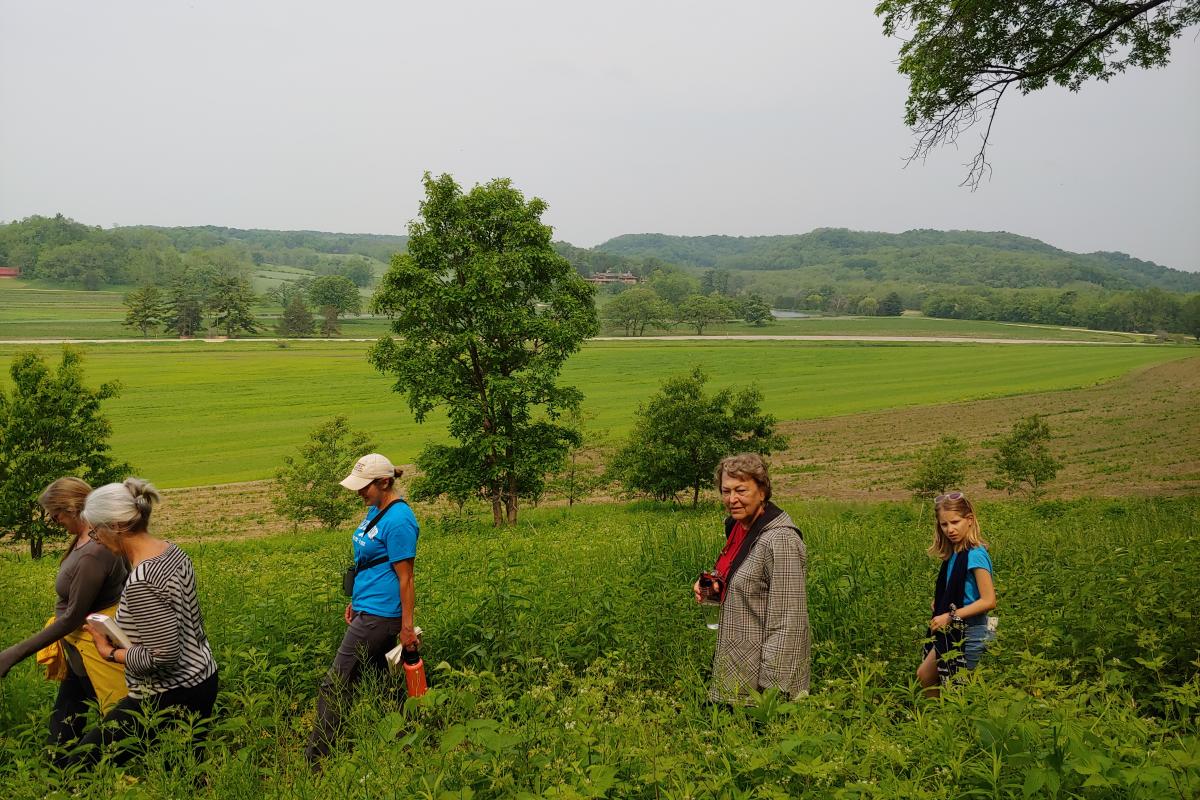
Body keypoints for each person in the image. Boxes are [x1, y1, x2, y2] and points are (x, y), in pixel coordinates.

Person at [67, 478, 219, 766]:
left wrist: (109, 651)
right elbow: (178, 622)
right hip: (202, 676)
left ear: (116, 527)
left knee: (82, 765)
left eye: (97, 533)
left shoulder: (142, 581)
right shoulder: (170, 551)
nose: (97, 541)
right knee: (185, 774)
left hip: (169, 694)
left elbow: (164, 656)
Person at [306, 453, 419, 763]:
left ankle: (317, 760)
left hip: (381, 614)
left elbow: (406, 578)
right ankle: (406, 742)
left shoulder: (399, 520)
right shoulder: (374, 510)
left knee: (335, 684)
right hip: (366, 608)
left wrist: (407, 628)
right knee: (386, 681)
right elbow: (369, 561)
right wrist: (355, 599)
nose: (359, 493)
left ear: (384, 483)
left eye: (364, 487)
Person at [0, 478, 129, 745]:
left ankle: (96, 766)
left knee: (118, 720)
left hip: (94, 649)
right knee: (66, 719)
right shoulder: (89, 539)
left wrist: (12, 655)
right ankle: (61, 768)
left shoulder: (94, 551)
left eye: (55, 514)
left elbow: (72, 617)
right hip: (80, 651)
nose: (53, 520)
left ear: (71, 507)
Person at [693, 453, 810, 704]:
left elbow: (788, 622)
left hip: (759, 688)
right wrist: (713, 586)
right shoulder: (738, 528)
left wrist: (772, 693)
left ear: (762, 491)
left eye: (741, 490)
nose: (732, 499)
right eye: (726, 491)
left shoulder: (780, 541)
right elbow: (742, 578)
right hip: (734, 673)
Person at [917, 491, 996, 697]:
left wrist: (950, 615)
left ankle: (954, 726)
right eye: (944, 525)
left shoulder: (976, 554)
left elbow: (989, 601)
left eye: (955, 522)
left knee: (958, 690)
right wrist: (941, 602)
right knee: (926, 674)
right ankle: (937, 724)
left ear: (969, 520)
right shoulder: (954, 555)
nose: (950, 529)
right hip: (952, 630)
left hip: (971, 632)